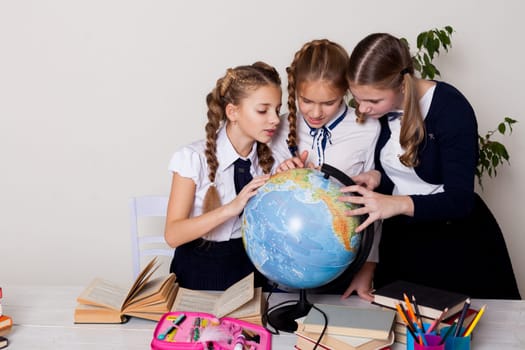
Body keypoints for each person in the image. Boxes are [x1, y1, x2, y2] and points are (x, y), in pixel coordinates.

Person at [340, 33, 521, 299]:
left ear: (401, 85)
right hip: (402, 242)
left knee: (456, 335)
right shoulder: (380, 112)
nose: (363, 109)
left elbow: (460, 200)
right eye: (358, 99)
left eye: (373, 101)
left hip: (454, 245)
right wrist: (378, 177)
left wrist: (397, 203)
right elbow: (404, 172)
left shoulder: (450, 108)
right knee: (400, 332)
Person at [271, 39, 381, 301]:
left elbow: (375, 209)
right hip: (283, 266)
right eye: (306, 100)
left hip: (343, 263)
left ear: (346, 90)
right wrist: (279, 176)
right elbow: (263, 195)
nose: (316, 112)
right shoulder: (279, 127)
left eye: (328, 102)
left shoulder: (367, 129)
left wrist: (367, 270)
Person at [164, 62, 282, 291]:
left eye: (277, 110)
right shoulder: (192, 158)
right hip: (196, 272)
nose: (275, 119)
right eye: (263, 110)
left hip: (250, 270)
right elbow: (173, 235)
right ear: (232, 112)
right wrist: (232, 208)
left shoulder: (271, 161)